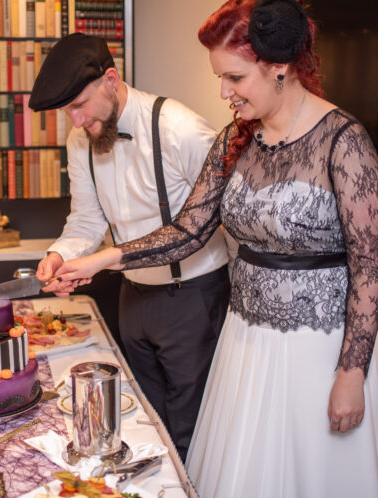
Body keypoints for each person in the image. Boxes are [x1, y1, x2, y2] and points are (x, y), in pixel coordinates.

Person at [52, 1, 378, 498]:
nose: (224, 92)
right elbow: (188, 230)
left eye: (235, 77)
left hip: (322, 352)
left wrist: (352, 373)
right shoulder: (235, 141)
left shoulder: (344, 143)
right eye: (220, 78)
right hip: (245, 343)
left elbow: (371, 267)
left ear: (279, 68)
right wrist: (100, 260)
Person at [28, 33, 231, 460]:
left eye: (79, 105)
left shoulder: (181, 129)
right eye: (67, 111)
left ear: (110, 79)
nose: (76, 121)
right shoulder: (80, 141)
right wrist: (59, 255)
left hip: (192, 300)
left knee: (191, 430)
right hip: (132, 299)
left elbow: (226, 217)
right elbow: (87, 219)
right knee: (141, 422)